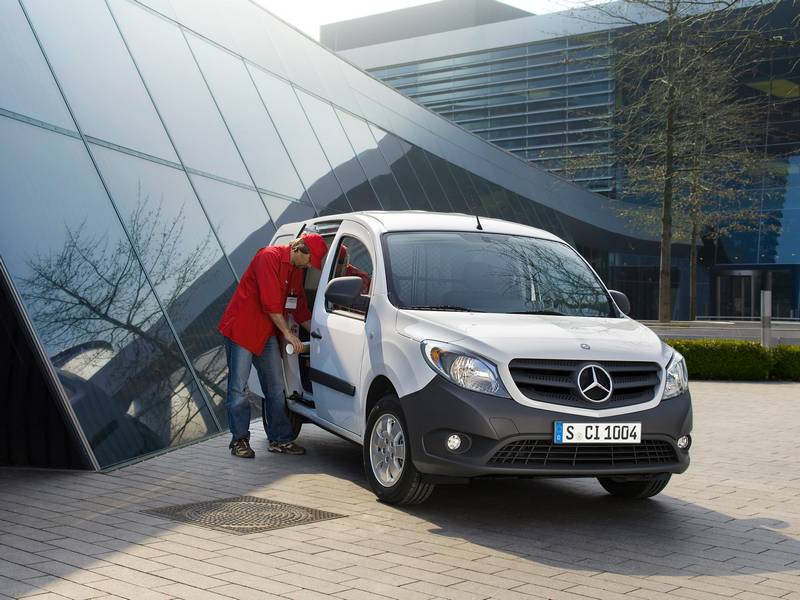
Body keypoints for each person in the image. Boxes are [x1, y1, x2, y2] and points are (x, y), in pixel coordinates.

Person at [218, 233, 328, 458]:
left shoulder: (296, 271)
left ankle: (280, 439)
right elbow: (270, 303)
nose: (310, 266)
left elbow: (298, 308)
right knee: (238, 388)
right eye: (310, 260)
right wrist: (288, 334)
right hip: (242, 330)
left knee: (276, 387)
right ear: (300, 250)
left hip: (266, 333)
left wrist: (320, 334)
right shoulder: (268, 257)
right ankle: (239, 441)